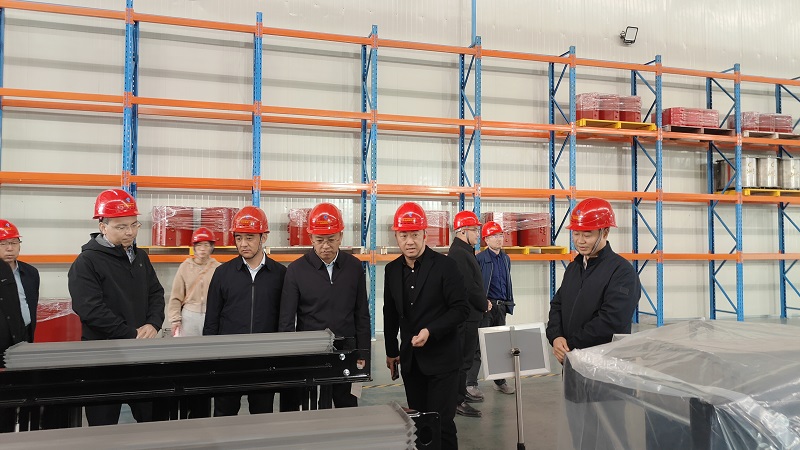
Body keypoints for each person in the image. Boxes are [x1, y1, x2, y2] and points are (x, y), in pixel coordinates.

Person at [68, 189, 165, 426]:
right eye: (121, 227)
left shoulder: (140, 258)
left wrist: (153, 323)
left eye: (134, 225)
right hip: (103, 359)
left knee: (152, 420)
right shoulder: (87, 262)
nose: (130, 232)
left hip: (140, 356)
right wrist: (131, 333)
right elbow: (91, 309)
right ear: (103, 226)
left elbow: (156, 293)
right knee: (103, 426)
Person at [384, 202, 469, 450]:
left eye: (414, 235)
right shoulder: (391, 270)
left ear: (425, 234)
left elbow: (460, 309)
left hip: (443, 360)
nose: (409, 241)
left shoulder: (445, 266)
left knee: (442, 424)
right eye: (403, 235)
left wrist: (431, 331)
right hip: (412, 363)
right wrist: (392, 351)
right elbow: (390, 313)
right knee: (419, 423)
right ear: (396, 236)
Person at [203, 205, 295, 416]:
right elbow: (212, 319)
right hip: (229, 361)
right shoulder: (222, 274)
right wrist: (211, 357)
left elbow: (285, 319)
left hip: (264, 361)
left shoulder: (280, 275)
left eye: (250, 237)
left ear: (264, 237)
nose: (243, 244)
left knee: (261, 416)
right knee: (224, 416)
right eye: (239, 238)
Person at [279, 202, 370, 410]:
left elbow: (362, 314)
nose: (325, 246)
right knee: (311, 408)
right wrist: (289, 357)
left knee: (347, 405)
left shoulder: (354, 268)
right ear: (311, 238)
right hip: (310, 352)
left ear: (341, 236)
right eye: (319, 240)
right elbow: (287, 320)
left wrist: (363, 352)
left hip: (346, 350)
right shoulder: (296, 271)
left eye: (331, 239)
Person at [546, 198, 641, 364]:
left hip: (603, 365)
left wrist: (571, 345)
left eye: (587, 235)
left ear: (605, 232)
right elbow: (557, 305)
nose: (580, 241)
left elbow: (612, 321)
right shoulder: (574, 267)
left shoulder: (622, 272)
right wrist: (556, 336)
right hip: (572, 360)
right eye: (576, 234)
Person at [167, 226, 220, 419]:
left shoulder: (218, 268)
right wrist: (175, 319)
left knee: (208, 361)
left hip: (210, 318)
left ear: (212, 247)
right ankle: (187, 401)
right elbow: (175, 296)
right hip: (189, 316)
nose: (203, 249)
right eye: (199, 245)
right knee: (187, 361)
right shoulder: (185, 267)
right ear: (193, 247)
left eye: (206, 245)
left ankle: (203, 404)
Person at [447, 210, 490, 419]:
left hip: (471, 315)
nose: (478, 235)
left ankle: (461, 393)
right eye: (475, 230)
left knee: (467, 358)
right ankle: (457, 401)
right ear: (463, 231)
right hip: (466, 317)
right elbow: (469, 287)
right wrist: (483, 304)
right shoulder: (459, 253)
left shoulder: (465, 251)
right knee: (463, 360)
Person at [469, 220, 516, 398]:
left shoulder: (505, 258)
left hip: (500, 308)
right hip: (485, 308)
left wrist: (508, 304)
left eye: (500, 235)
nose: (499, 239)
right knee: (478, 346)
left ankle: (499, 382)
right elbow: (475, 284)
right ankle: (470, 383)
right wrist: (482, 303)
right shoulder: (480, 259)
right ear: (486, 240)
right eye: (494, 236)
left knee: (499, 345)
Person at [0, 259, 27, 432]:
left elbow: (14, 311)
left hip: (6, 354)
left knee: (5, 415)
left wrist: (19, 345)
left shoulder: (3, 268)